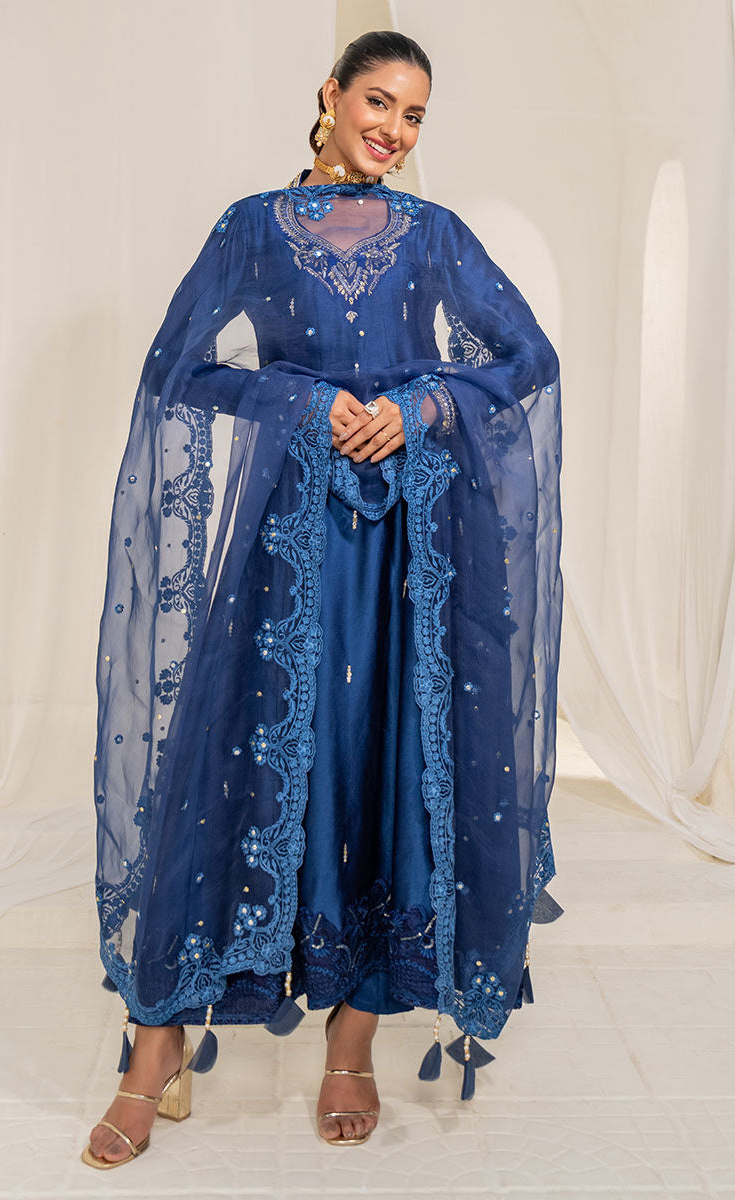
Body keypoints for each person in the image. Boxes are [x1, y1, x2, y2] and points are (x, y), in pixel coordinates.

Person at [83, 29, 563, 1167]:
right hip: (292, 537)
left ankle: (352, 1040)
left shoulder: (434, 235)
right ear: (331, 96)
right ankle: (154, 1047)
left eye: (414, 115)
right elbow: (176, 365)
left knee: (389, 765)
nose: (393, 130)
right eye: (378, 102)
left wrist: (425, 406)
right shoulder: (253, 227)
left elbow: (526, 357)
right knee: (230, 761)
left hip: (415, 543)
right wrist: (297, 400)